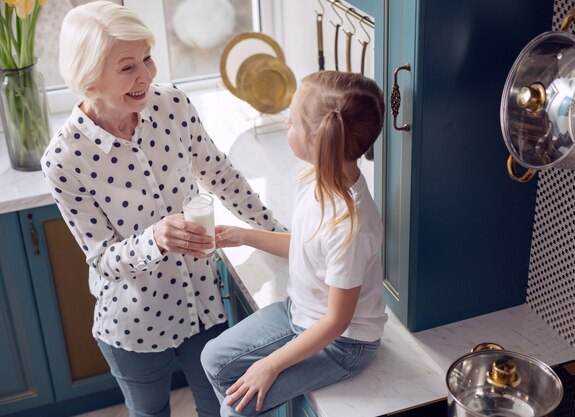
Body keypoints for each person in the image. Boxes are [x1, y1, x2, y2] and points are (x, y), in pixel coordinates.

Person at [40, 2, 286, 416]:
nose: (147, 75)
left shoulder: (172, 105)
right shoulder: (65, 159)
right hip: (132, 324)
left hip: (202, 303)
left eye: (147, 58)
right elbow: (101, 258)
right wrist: (154, 239)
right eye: (127, 67)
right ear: (88, 77)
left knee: (222, 410)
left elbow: (221, 176)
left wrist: (280, 235)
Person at [201, 71, 388, 417]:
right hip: (299, 311)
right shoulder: (317, 180)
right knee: (212, 358)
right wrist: (241, 235)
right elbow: (304, 247)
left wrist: (271, 365)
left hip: (343, 345)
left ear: (320, 139)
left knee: (237, 405)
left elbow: (336, 322)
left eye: (293, 120)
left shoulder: (352, 227)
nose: (286, 121)